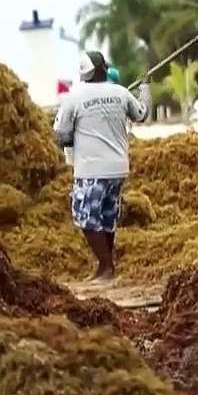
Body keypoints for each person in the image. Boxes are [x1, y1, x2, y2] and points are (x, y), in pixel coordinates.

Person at [52, 50, 150, 282]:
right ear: (104, 68)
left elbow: (62, 136)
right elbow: (142, 114)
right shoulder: (121, 92)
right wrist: (145, 88)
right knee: (107, 217)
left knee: (84, 217)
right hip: (118, 168)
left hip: (91, 169)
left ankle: (106, 267)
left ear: (84, 74)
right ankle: (105, 268)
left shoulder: (74, 97)